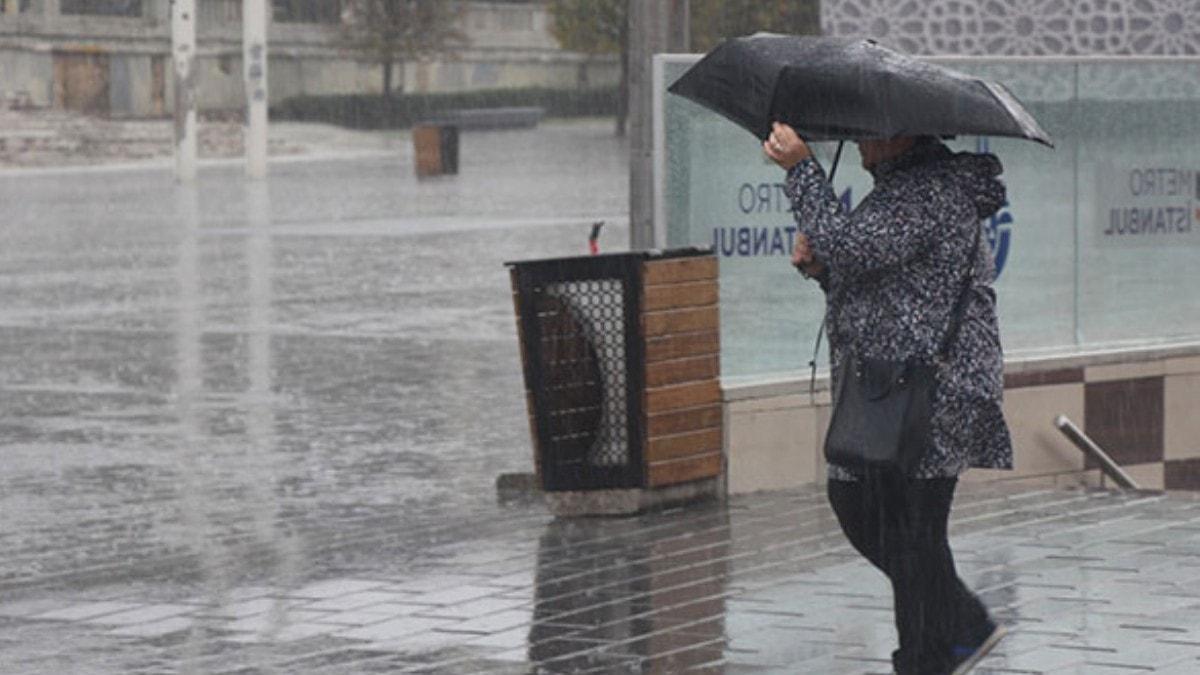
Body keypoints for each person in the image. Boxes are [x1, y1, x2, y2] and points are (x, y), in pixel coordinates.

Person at [763, 122, 1013, 675]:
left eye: (869, 135)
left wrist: (802, 168)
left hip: (935, 386)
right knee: (884, 518)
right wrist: (825, 271)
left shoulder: (928, 192)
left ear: (903, 137)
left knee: (910, 528)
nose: (859, 145)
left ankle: (935, 650)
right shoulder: (904, 190)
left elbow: (854, 247)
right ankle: (949, 640)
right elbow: (876, 280)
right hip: (897, 384)